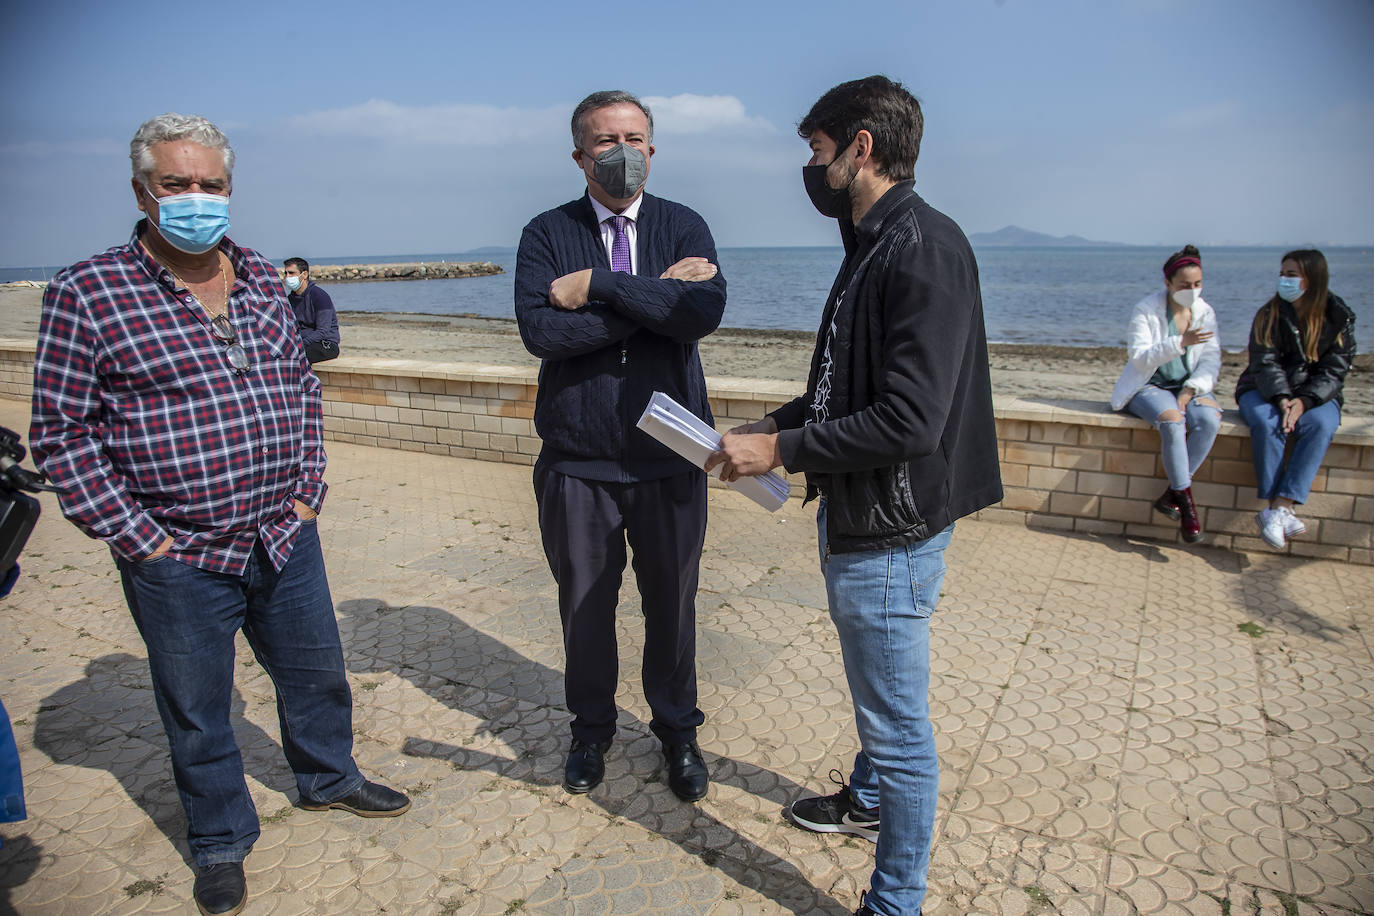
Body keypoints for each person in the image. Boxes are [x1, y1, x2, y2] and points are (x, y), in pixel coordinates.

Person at [29, 113, 408, 916]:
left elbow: (300, 386)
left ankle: (328, 778)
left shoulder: (265, 277)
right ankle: (220, 840)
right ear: (143, 191)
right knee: (198, 711)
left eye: (211, 185)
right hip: (179, 553)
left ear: (230, 190)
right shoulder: (88, 291)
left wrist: (309, 490)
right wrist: (143, 540)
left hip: (283, 529)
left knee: (317, 678)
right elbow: (61, 434)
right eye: (177, 185)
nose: (196, 199)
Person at [706, 76, 1003, 916]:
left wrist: (784, 449)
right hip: (869, 517)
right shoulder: (873, 241)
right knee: (884, 697)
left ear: (861, 147)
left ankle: (896, 900)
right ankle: (867, 800)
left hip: (891, 533)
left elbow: (911, 419)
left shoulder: (922, 248)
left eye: (818, 149)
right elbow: (846, 387)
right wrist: (769, 427)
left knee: (901, 730)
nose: (811, 166)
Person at [514, 90, 725, 803]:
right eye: (606, 140)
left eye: (634, 138)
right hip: (579, 463)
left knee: (672, 605)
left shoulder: (683, 223)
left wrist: (601, 287)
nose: (622, 152)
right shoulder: (545, 233)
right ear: (580, 155)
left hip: (672, 459)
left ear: (653, 149)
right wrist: (650, 302)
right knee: (585, 607)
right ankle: (591, 729)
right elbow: (543, 334)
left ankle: (676, 730)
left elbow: (702, 314)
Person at [1235, 249, 1356, 549]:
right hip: (1262, 390)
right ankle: (1278, 510)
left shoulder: (1338, 317)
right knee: (1267, 423)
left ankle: (1279, 506)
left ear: (1312, 279)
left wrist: (1305, 401)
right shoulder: (1269, 314)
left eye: (1291, 275)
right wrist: (1282, 399)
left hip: (1315, 395)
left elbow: (1335, 370)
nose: (1284, 280)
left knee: (1320, 426)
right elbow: (1264, 362)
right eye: (1282, 274)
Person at [1109, 244, 1222, 542]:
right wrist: (1179, 342)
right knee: (1173, 422)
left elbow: (1211, 359)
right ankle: (1186, 504)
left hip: (1187, 385)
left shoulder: (1204, 312)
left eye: (1197, 284)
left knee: (1209, 421)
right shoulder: (1147, 310)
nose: (1192, 290)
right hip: (1149, 385)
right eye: (1185, 285)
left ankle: (1172, 494)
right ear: (1168, 283)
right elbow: (1140, 357)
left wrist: (1191, 389)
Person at [282, 257, 341, 363]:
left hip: (326, 344)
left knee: (296, 358)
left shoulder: (319, 296)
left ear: (304, 274)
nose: (287, 277)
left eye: (291, 273)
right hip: (302, 342)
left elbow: (322, 331)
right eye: (285, 273)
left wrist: (300, 344)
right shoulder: (290, 299)